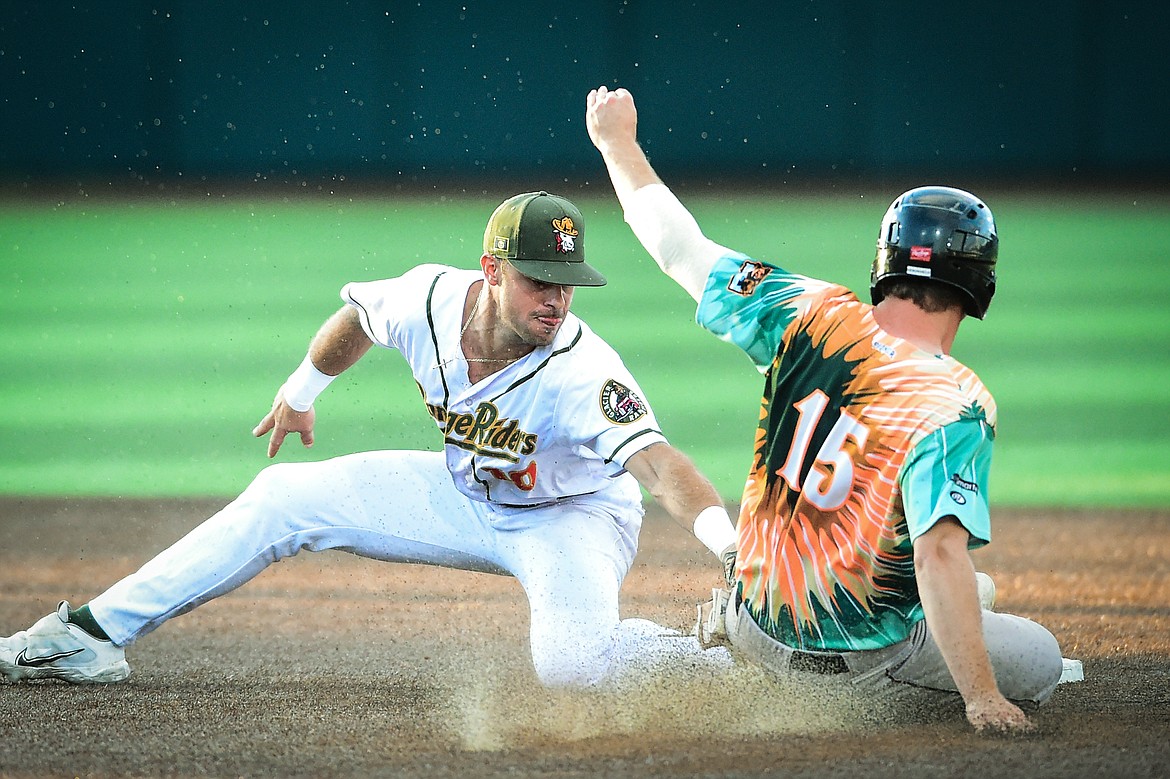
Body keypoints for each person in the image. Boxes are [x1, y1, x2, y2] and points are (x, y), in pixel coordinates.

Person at [0, 190, 738, 689]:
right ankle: (90, 634)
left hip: (571, 516)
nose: (556, 297)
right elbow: (356, 320)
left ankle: (725, 653)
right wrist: (299, 391)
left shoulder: (583, 370)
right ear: (490, 271)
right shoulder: (426, 297)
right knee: (283, 497)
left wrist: (728, 547)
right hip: (464, 493)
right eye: (538, 278)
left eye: (567, 281)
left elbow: (659, 465)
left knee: (573, 667)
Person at [585, 85, 1066, 733]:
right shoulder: (955, 400)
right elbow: (938, 554)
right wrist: (981, 696)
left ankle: (727, 652)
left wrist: (618, 143)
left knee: (965, 596)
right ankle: (867, 698)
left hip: (752, 624)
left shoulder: (809, 311)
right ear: (980, 282)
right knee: (1037, 654)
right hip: (853, 661)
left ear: (885, 262)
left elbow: (681, 249)